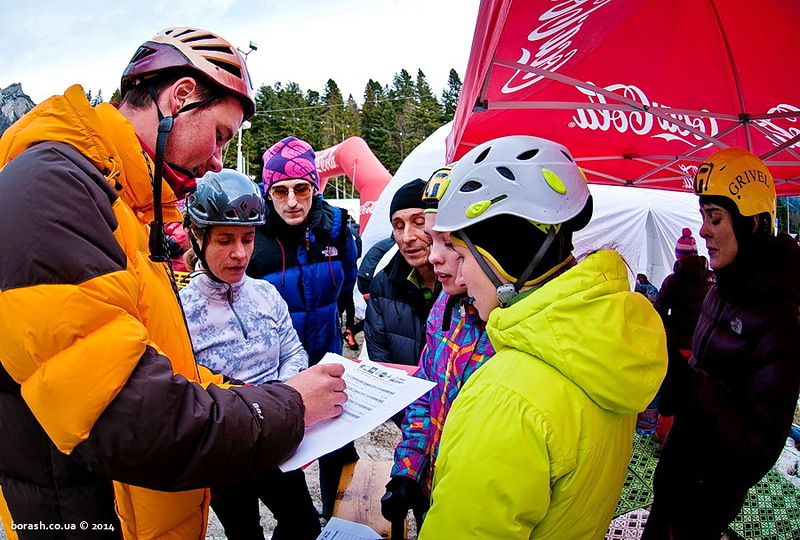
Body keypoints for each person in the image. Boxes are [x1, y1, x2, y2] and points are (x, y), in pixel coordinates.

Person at [0, 28, 346, 538]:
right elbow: (130, 417)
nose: (217, 161)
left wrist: (247, 395)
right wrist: (289, 406)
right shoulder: (55, 189)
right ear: (180, 96)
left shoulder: (123, 210)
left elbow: (158, 367)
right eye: (221, 135)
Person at [417, 135, 667, 539]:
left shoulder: (505, 398)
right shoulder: (608, 340)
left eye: (462, 256)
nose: (459, 276)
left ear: (502, 258)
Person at [643, 148, 800, 539]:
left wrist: (689, 385)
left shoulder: (781, 320)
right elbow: (701, 374)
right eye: (702, 217)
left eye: (715, 218)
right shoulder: (719, 289)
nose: (703, 230)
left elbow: (756, 450)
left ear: (754, 225)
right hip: (677, 472)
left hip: (707, 498)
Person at [179, 169, 320, 540]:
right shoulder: (180, 310)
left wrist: (279, 397)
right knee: (244, 532)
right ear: (196, 236)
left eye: (248, 238)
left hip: (276, 438)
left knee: (303, 524)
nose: (240, 253)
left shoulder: (265, 294)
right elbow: (185, 387)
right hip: (226, 448)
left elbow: (293, 350)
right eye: (225, 240)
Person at [246, 136, 359, 521]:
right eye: (280, 190)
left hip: (326, 356)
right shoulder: (253, 236)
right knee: (275, 460)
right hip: (274, 372)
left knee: (340, 449)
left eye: (301, 188)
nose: (292, 200)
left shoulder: (338, 228)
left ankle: (337, 520)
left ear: (314, 186)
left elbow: (347, 283)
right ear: (268, 191)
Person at [380, 167, 494, 535]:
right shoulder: (446, 308)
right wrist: (407, 472)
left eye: (450, 244)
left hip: (479, 506)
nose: (433, 256)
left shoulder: (509, 327)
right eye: (435, 241)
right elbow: (426, 395)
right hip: (432, 488)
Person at [364, 178, 441, 367]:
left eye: (419, 222)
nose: (407, 237)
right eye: (399, 226)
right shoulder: (383, 285)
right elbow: (379, 358)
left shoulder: (464, 283)